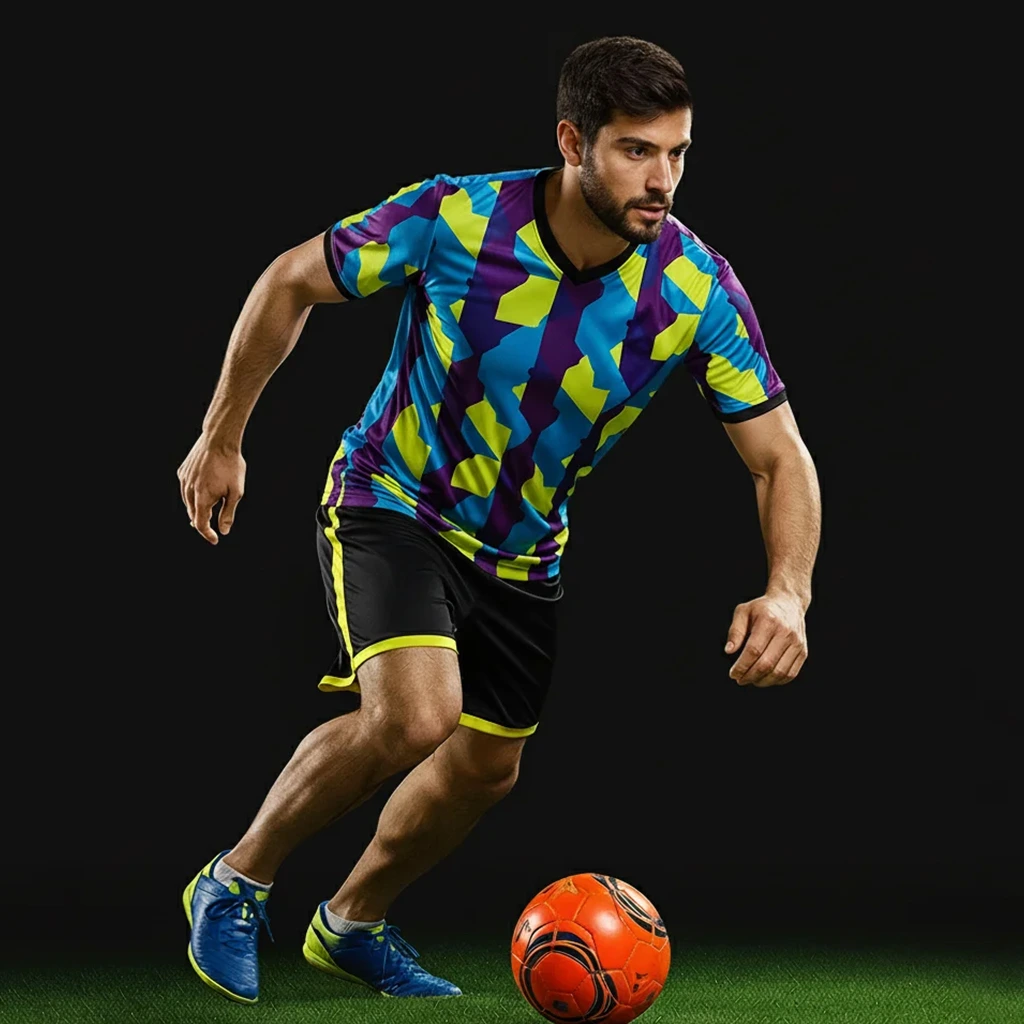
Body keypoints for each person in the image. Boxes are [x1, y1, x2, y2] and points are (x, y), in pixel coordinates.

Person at [177, 34, 821, 1005]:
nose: (663, 180)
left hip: (521, 553)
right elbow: (289, 280)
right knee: (415, 715)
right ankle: (232, 880)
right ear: (572, 140)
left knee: (484, 767)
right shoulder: (456, 216)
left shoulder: (694, 289)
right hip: (391, 499)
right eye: (636, 151)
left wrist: (789, 591)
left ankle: (349, 922)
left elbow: (780, 457)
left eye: (677, 153)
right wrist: (221, 437)